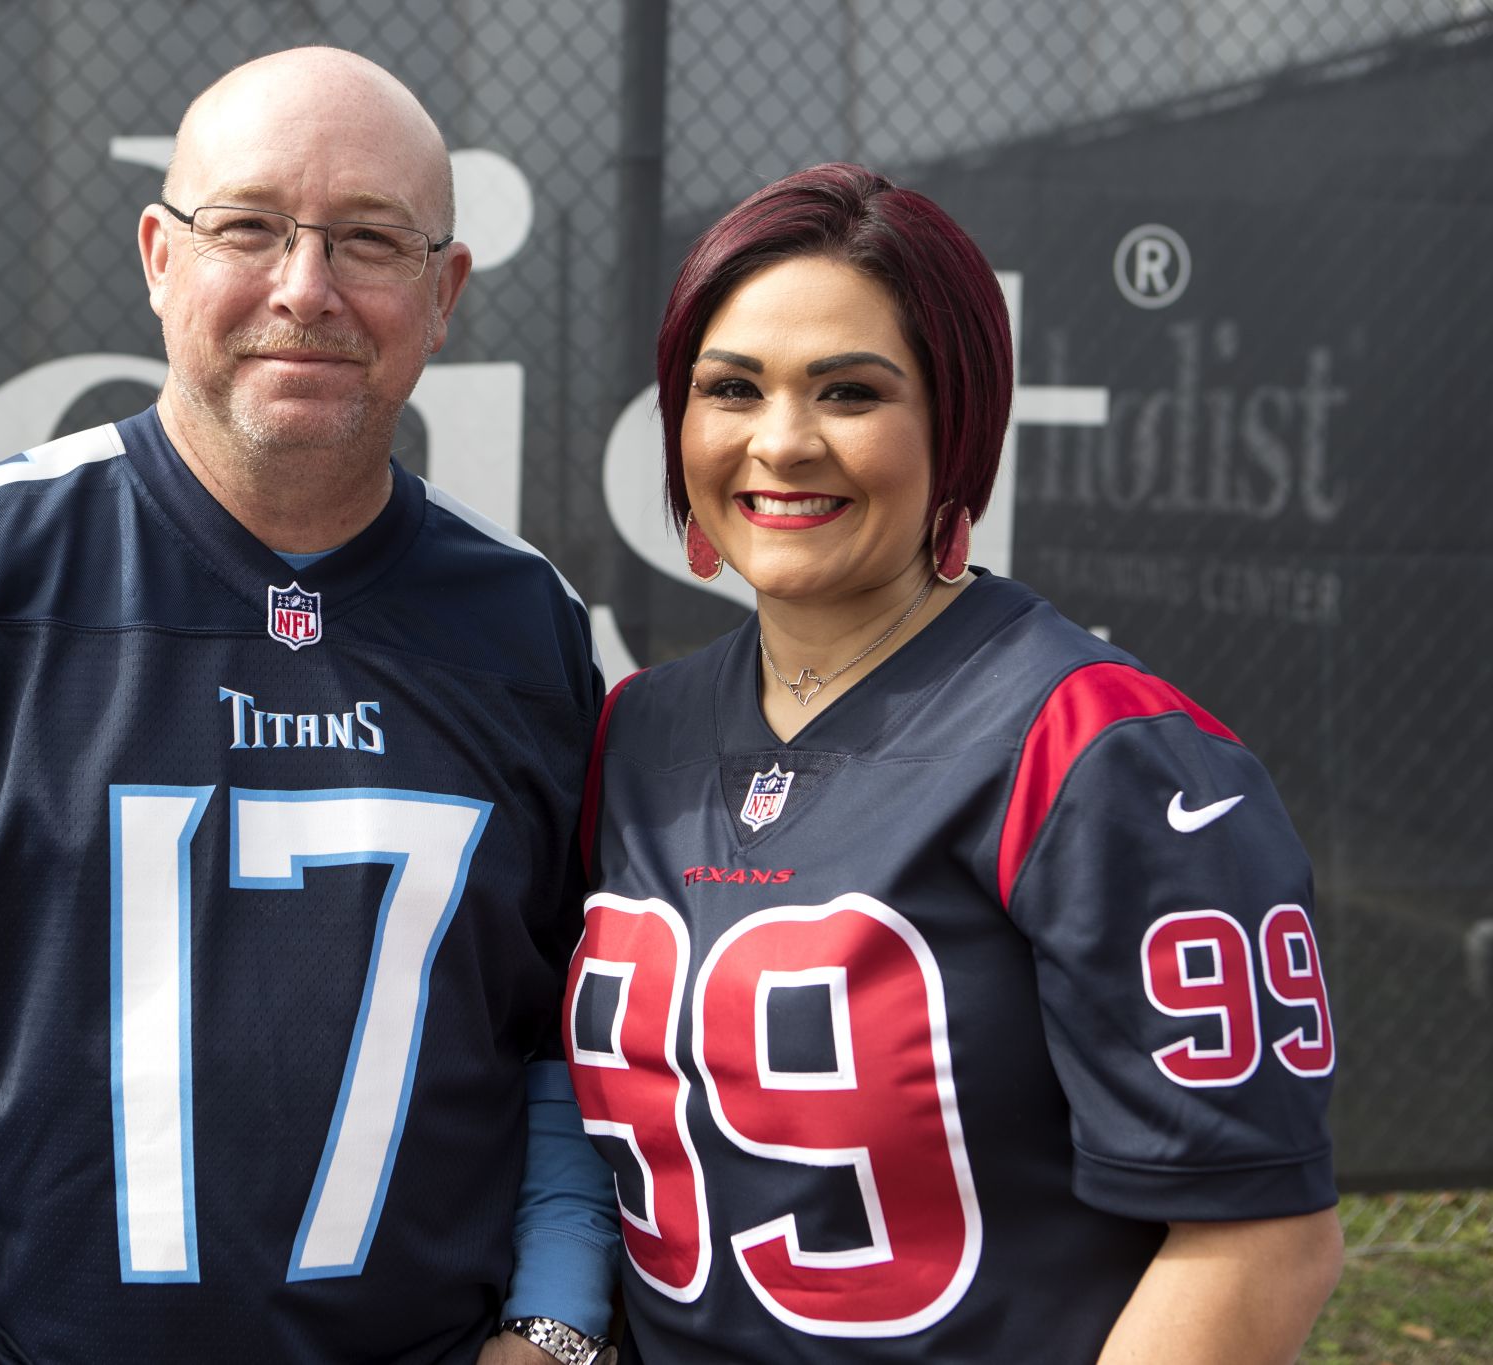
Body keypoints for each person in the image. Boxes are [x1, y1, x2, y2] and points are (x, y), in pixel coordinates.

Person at [0, 47, 618, 1365]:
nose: (307, 287)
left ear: (443, 292)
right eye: (250, 228)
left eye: (371, 240)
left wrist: (554, 1323)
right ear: (160, 257)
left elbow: (573, 1043)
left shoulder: (527, 629)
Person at [563, 163, 1342, 1363]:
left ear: (955, 417)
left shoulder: (1107, 755)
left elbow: (1255, 1244)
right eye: (731, 388)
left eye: (849, 391)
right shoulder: (637, 732)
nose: (781, 441)